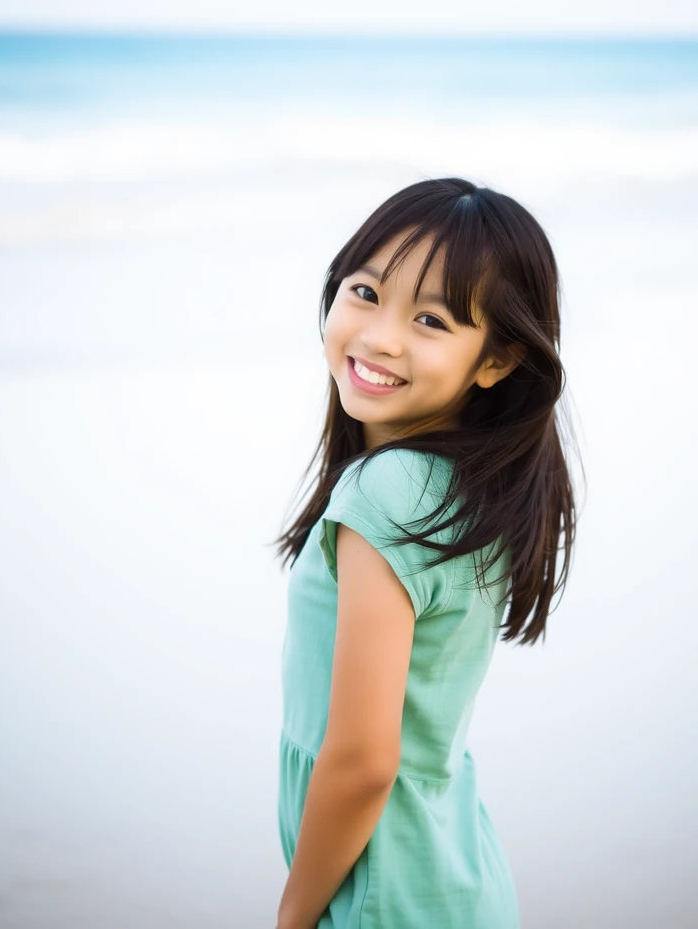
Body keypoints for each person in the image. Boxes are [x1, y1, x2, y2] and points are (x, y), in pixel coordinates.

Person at [271, 176, 581, 928]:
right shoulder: (457, 488)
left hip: (390, 897)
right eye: (366, 292)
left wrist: (292, 916)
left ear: (498, 361)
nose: (381, 336)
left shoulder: (391, 493)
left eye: (432, 320)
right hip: (452, 872)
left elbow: (363, 763)